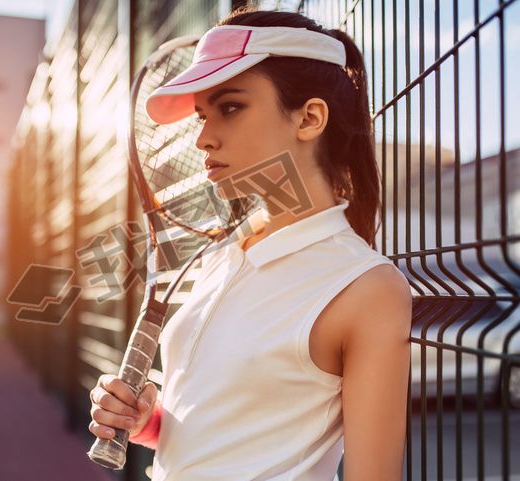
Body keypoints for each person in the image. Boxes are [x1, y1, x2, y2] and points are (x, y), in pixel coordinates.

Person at [89, 7, 411, 481]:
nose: (202, 137)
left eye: (230, 107)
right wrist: (148, 423)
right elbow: (234, 433)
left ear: (310, 118)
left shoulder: (366, 288)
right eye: (201, 115)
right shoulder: (223, 253)